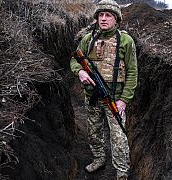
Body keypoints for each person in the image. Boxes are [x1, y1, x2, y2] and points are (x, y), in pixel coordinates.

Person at [70, 0, 138, 179]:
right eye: (101, 15)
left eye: (108, 15)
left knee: (119, 138)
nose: (104, 19)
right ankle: (99, 159)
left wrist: (124, 99)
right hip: (92, 97)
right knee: (94, 132)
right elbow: (74, 59)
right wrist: (80, 72)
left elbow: (132, 72)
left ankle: (122, 172)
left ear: (116, 19)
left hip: (115, 99)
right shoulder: (88, 39)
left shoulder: (125, 40)